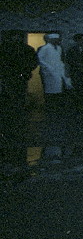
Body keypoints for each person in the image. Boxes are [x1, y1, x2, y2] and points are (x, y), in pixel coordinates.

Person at [0, 29, 38, 169]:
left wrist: (25, 72)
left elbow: (33, 62)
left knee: (18, 97)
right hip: (8, 77)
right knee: (9, 97)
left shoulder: (26, 49)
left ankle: (16, 115)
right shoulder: (5, 48)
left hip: (19, 77)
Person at [36, 32, 68, 110]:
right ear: (50, 40)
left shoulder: (59, 48)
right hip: (48, 72)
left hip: (58, 71)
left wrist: (63, 68)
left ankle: (57, 106)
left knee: (58, 89)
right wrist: (48, 67)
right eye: (55, 40)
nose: (56, 41)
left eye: (57, 40)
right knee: (49, 90)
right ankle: (49, 106)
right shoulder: (45, 48)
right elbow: (40, 59)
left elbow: (60, 60)